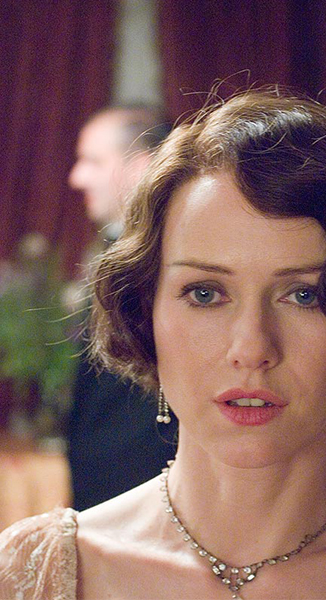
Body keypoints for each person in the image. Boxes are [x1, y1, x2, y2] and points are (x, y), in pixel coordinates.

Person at [0, 89, 326, 599]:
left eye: (304, 295)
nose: (252, 348)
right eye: (205, 294)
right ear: (145, 314)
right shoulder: (35, 576)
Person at [66, 105, 178, 511]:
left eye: (94, 161)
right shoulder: (116, 247)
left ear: (139, 167)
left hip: (140, 477)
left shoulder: (163, 258)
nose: (77, 177)